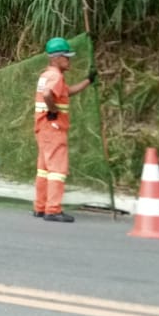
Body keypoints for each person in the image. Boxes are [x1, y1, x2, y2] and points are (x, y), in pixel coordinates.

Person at [33, 37, 96, 222]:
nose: (69, 60)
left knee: (44, 169)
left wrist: (88, 81)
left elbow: (66, 92)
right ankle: (53, 209)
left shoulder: (46, 75)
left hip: (43, 129)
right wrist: (53, 111)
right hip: (53, 128)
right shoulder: (56, 77)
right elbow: (47, 95)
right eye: (66, 57)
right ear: (56, 58)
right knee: (57, 170)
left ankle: (40, 206)